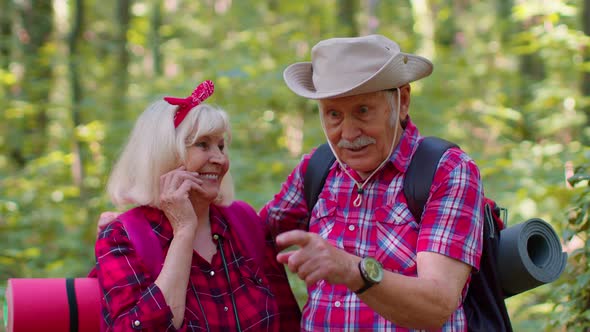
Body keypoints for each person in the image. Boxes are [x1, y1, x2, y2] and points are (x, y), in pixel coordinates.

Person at [260, 34, 484, 331]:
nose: (349, 133)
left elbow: (437, 305)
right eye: (334, 115)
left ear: (402, 101)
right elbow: (253, 238)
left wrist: (350, 269)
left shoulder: (446, 171)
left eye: (363, 111)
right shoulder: (315, 169)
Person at [94, 80, 301, 331]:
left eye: (221, 146)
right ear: (164, 154)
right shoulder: (120, 237)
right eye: (203, 145)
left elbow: (288, 320)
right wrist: (183, 232)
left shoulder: (244, 221)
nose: (220, 159)